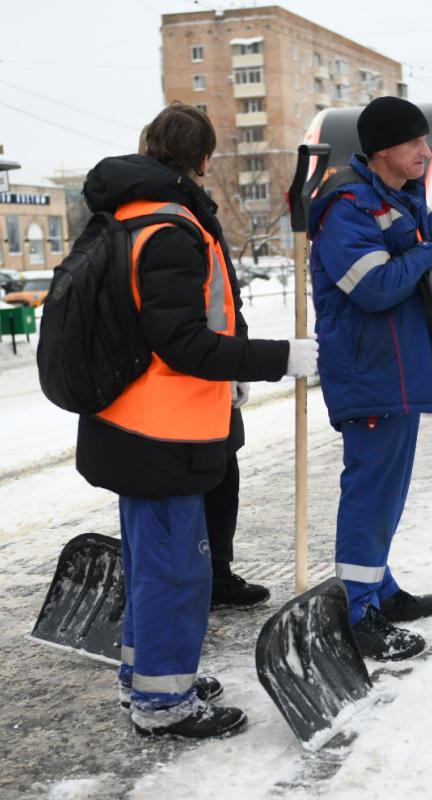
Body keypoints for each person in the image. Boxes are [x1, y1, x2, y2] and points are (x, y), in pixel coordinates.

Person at [78, 102, 318, 738]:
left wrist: (233, 375)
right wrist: (279, 358)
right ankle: (164, 704)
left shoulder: (125, 216)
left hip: (133, 421)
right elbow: (183, 342)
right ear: (205, 159)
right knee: (176, 571)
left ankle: (150, 676)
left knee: (153, 563)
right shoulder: (172, 230)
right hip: (161, 431)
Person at [307, 96, 432, 660]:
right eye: (414, 142)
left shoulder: (401, 199)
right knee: (370, 491)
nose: (426, 151)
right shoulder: (347, 207)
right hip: (370, 369)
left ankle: (382, 587)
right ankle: (361, 613)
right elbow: (373, 287)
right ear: (382, 151)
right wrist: (427, 257)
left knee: (390, 490)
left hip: (400, 368)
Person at [137, 124, 269, 610]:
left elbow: (224, 299)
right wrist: (245, 361)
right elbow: (206, 307)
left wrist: (237, 359)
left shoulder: (181, 211)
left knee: (220, 476)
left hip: (207, 372)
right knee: (197, 488)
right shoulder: (178, 218)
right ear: (205, 159)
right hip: (188, 380)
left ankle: (215, 574)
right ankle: (198, 586)